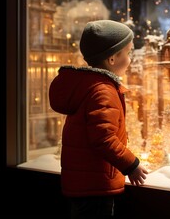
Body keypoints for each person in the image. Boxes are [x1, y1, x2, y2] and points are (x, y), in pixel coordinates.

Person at [49, 19, 148, 219]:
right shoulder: (103, 91)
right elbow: (103, 138)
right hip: (96, 185)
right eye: (127, 53)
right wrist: (132, 165)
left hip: (83, 181)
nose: (130, 60)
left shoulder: (88, 85)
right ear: (112, 59)